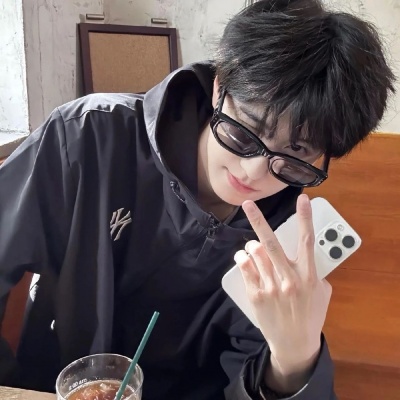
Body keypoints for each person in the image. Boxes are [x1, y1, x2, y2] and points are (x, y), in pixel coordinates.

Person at [0, 0, 395, 399]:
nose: (253, 172)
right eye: (244, 132)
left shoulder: (287, 236)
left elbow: (247, 375)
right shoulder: (87, 138)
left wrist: (295, 360)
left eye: (295, 155)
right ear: (220, 86)